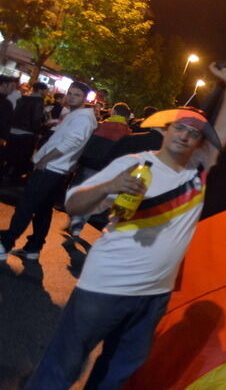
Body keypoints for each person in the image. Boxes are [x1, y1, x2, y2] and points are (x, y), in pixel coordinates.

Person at [0, 64, 226, 390]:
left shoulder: (197, 173)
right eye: (181, 128)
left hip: (155, 295)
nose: (186, 136)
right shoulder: (136, 162)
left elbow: (225, 129)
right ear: (167, 130)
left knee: (117, 369)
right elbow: (73, 204)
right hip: (105, 288)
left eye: (195, 133)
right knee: (62, 367)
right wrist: (108, 190)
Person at [0, 82, 96, 259]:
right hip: (58, 170)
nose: (71, 97)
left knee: (26, 206)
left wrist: (45, 159)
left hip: (51, 168)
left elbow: (71, 142)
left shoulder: (83, 117)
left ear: (84, 99)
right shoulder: (76, 115)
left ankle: (6, 243)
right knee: (43, 210)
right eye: (70, 93)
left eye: (77, 95)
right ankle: (33, 247)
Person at [66, 102, 134, 236]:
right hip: (107, 171)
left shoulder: (101, 125)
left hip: (89, 165)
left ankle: (73, 220)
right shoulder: (128, 134)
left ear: (113, 112)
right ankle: (79, 224)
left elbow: (87, 145)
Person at [2, 81, 47, 183]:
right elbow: (35, 119)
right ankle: (14, 179)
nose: (46, 92)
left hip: (13, 131)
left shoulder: (22, 98)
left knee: (10, 156)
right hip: (27, 133)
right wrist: (38, 131)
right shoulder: (39, 102)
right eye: (45, 90)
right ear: (40, 90)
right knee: (21, 158)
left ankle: (5, 174)